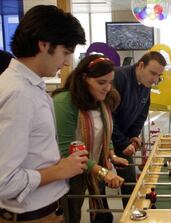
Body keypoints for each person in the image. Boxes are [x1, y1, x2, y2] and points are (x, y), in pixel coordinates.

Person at [0, 5, 87, 223]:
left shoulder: (29, 85)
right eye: (65, 53)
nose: (67, 62)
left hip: (45, 211)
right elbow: (5, 182)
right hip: (30, 217)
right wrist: (60, 171)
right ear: (44, 45)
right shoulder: (19, 93)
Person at [53, 54, 127, 223]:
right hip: (68, 173)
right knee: (72, 216)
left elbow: (104, 134)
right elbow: (66, 151)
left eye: (110, 82)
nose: (107, 88)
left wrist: (112, 155)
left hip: (93, 166)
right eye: (101, 82)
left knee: (102, 214)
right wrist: (102, 172)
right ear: (85, 78)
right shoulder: (64, 102)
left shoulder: (102, 101)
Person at [111, 51, 167, 207]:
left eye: (159, 76)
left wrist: (134, 136)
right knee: (98, 185)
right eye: (153, 73)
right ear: (141, 65)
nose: (155, 80)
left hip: (123, 140)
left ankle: (131, 214)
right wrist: (123, 142)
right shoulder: (119, 77)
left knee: (128, 181)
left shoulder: (146, 84)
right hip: (105, 139)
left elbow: (142, 113)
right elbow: (108, 116)